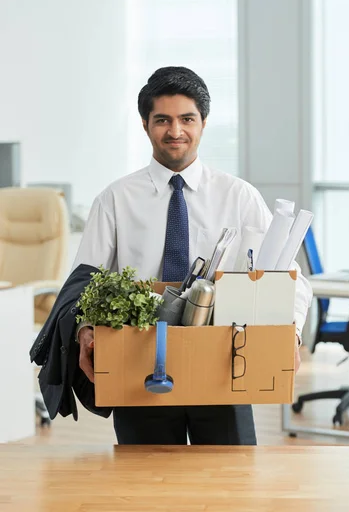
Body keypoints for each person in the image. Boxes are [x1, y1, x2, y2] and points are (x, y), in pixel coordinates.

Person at [73, 66, 312, 445]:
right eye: (162, 120)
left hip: (224, 364)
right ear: (145, 123)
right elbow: (83, 282)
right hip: (140, 363)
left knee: (229, 484)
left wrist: (291, 335)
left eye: (187, 119)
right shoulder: (115, 200)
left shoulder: (239, 196)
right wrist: (85, 328)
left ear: (203, 122)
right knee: (145, 482)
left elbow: (292, 280)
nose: (175, 131)